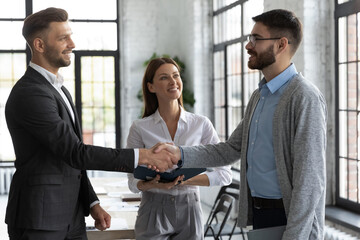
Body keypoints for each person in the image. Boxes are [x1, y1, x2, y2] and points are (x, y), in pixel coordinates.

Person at [5, 8, 177, 240]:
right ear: (39, 45)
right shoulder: (31, 93)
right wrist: (143, 156)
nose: (72, 43)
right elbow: (76, 152)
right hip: (40, 219)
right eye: (63, 38)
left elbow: (71, 162)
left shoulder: (58, 89)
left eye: (70, 35)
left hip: (71, 216)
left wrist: (92, 202)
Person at [156, 9, 327, 240]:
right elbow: (231, 149)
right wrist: (179, 153)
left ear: (281, 44)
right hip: (261, 214)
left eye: (256, 39)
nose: (248, 45)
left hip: (291, 220)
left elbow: (310, 181)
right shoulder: (260, 96)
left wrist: (294, 236)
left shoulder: (304, 97)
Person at [126, 57, 232, 240]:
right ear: (151, 87)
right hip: (152, 208)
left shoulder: (201, 124)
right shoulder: (140, 127)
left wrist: (184, 181)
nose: (173, 81)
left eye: (176, 75)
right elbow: (131, 181)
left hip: (190, 208)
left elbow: (225, 174)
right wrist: (151, 184)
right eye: (164, 77)